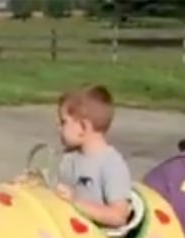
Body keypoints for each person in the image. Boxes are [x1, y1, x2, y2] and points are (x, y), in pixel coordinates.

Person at [51, 85, 132, 228]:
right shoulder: (69, 157)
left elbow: (119, 216)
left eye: (63, 122)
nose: (58, 127)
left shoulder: (111, 164)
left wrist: (75, 202)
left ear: (83, 127)